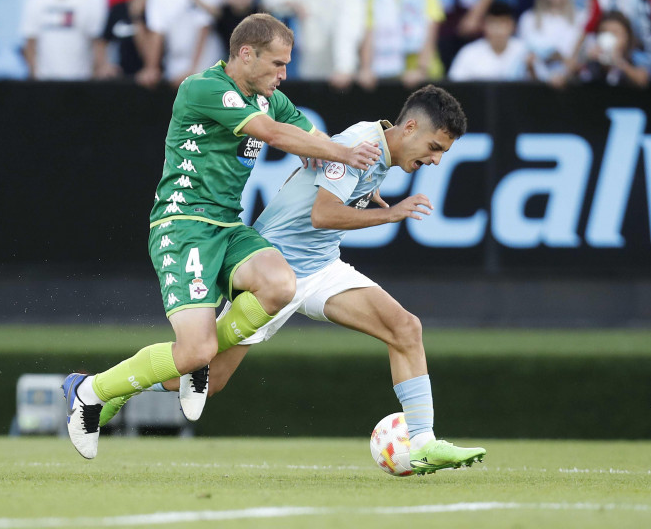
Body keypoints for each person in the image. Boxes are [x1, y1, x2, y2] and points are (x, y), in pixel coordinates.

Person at [98, 85, 487, 475]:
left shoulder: (378, 152)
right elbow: (323, 215)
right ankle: (111, 388)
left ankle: (421, 442)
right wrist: (391, 214)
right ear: (411, 127)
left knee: (405, 328)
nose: (436, 160)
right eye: (435, 147)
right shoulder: (360, 144)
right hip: (272, 272)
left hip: (320, 268)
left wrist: (367, 189)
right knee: (209, 377)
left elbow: (331, 182)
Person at [62, 13, 382, 460]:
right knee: (195, 351)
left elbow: (313, 139)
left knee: (280, 284)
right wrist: (345, 153)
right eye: (276, 64)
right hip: (183, 226)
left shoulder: (272, 98)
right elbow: (273, 135)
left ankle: (196, 363)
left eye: (287, 65)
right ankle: (91, 392)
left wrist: (357, 179)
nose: (283, 74)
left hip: (228, 227)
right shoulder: (202, 87)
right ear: (245, 54)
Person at [260, 0, 366, 89]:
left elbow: (347, 28)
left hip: (341, 75)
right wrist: (292, 4)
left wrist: (344, 67)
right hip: (310, 70)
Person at [356, 0, 445, 89]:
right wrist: (366, 68)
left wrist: (421, 70)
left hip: (424, 75)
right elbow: (369, 34)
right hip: (385, 74)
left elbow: (430, 33)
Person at [140, 0, 223, 88]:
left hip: (208, 60)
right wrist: (152, 68)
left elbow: (205, 27)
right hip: (174, 61)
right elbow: (156, 31)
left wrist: (194, 70)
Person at [21, 0, 109, 80]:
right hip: (46, 82)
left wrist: (94, 74)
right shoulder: (36, 0)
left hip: (81, 81)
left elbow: (96, 42)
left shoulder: (88, 0)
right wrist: (35, 74)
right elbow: (30, 42)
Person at [518, 0, 584, 82]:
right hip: (536, 85)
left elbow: (584, 58)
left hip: (573, 84)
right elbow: (525, 57)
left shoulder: (582, 18)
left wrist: (565, 70)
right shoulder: (527, 19)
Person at [99, 0, 158, 79]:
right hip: (122, 78)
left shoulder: (157, 11)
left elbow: (148, 53)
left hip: (151, 80)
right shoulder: (118, 9)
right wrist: (104, 64)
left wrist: (137, 17)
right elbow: (102, 41)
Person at [565, 10, 651, 86]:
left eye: (615, 33)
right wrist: (586, 59)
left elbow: (643, 80)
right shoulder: (591, 61)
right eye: (604, 32)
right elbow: (565, 76)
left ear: (626, 37)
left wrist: (620, 64)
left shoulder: (635, 57)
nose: (609, 37)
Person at [448, 1, 528, 80]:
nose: (498, 30)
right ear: (484, 26)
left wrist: (530, 68)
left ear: (512, 26)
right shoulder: (468, 53)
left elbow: (538, 86)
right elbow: (454, 85)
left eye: (503, 24)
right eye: (493, 24)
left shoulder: (524, 51)